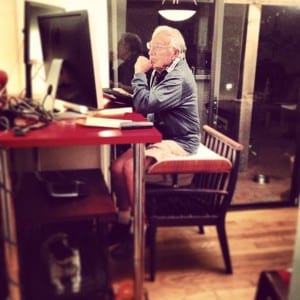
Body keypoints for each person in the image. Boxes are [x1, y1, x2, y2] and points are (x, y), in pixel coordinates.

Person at [109, 25, 200, 259]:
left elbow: (145, 104)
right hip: (161, 135)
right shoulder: (165, 70)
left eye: (159, 47)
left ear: (175, 54)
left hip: (180, 141)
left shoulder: (178, 78)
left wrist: (139, 73)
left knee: (130, 169)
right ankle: (123, 220)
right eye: (152, 46)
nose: (152, 52)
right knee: (116, 167)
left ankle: (141, 229)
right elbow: (149, 103)